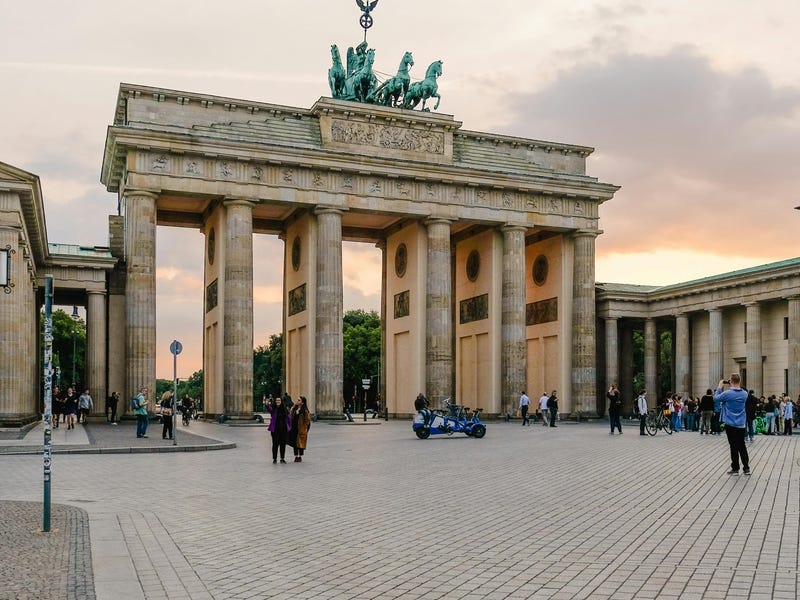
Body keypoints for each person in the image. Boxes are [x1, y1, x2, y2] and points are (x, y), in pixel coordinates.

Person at [715, 374, 750, 475]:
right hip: (741, 423)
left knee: (733, 446)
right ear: (739, 381)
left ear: (731, 381)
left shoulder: (728, 393)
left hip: (730, 423)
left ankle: (735, 468)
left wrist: (719, 387)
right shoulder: (745, 394)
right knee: (742, 445)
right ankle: (746, 468)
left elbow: (716, 399)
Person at [267, 394, 292, 463]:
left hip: (283, 429)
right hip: (275, 429)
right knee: (275, 444)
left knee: (283, 444)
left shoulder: (284, 409)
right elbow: (269, 409)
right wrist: (267, 404)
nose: (278, 401)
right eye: (277, 400)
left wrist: (289, 426)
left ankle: (282, 458)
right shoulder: (273, 408)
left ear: (281, 401)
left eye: (279, 400)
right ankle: (274, 459)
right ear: (275, 401)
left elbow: (289, 417)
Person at [290, 396, 311, 462]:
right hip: (294, 428)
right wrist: (294, 408)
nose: (297, 401)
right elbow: (290, 416)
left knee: (300, 443)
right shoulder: (294, 409)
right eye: (297, 400)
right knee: (295, 443)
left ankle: (300, 456)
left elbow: (307, 421)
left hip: (301, 429)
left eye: (299, 400)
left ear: (302, 402)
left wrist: (304, 429)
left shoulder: (305, 411)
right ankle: (296, 456)